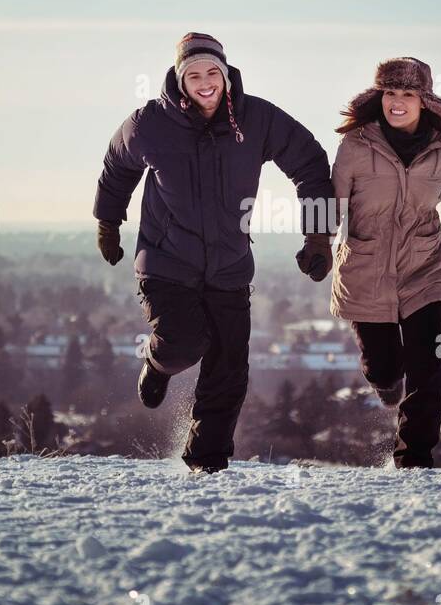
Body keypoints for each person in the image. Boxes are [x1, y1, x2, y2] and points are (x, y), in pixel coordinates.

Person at [93, 32, 335, 473]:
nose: (205, 82)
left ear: (225, 74)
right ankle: (158, 362)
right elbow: (116, 167)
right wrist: (109, 222)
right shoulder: (150, 122)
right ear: (179, 78)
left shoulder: (256, 118)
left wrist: (318, 237)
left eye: (212, 72)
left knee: (229, 368)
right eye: (194, 74)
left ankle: (206, 463)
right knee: (184, 340)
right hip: (166, 260)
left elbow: (310, 162)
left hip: (230, 266)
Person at [330, 57, 441, 469]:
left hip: (423, 268)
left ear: (424, 101)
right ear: (380, 97)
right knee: (385, 367)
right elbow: (330, 202)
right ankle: (387, 383)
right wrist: (317, 245)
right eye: (390, 93)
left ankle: (414, 459)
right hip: (366, 270)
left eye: (407, 94)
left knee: (428, 366)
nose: (397, 102)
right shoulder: (356, 144)